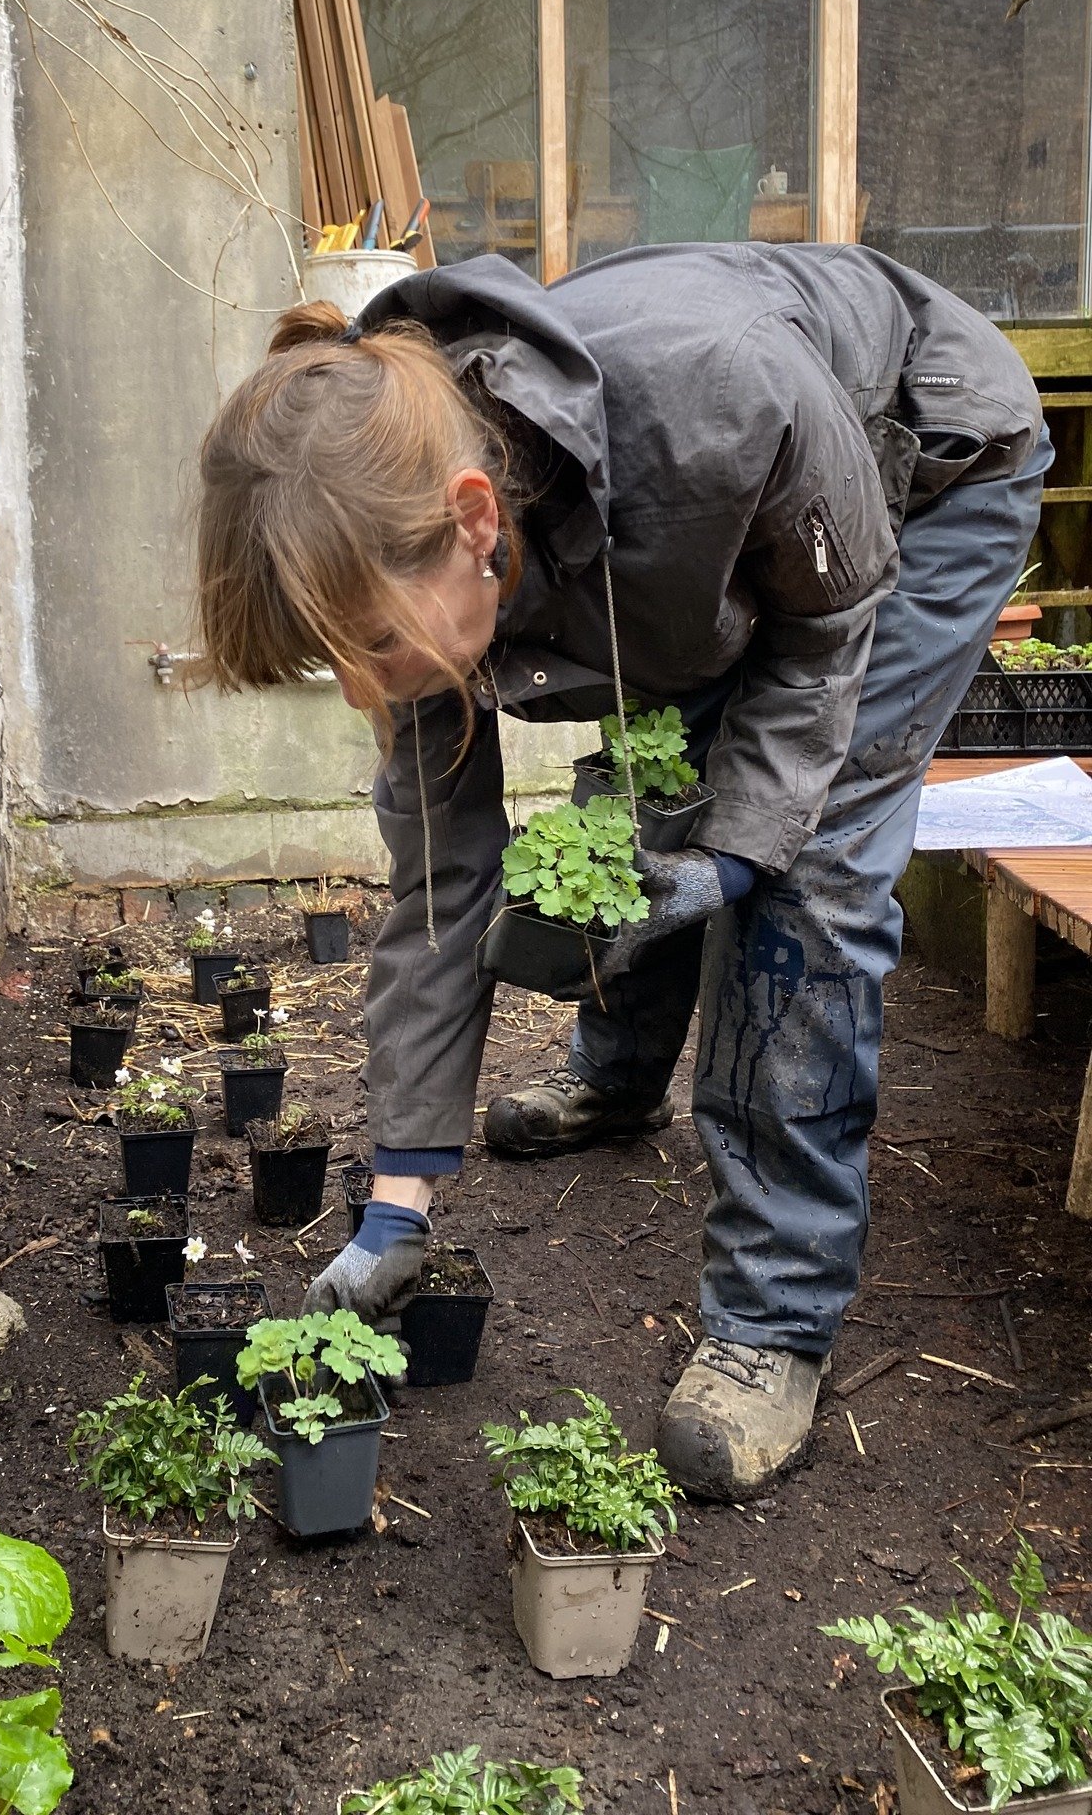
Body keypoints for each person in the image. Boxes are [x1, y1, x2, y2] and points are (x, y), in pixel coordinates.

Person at [194, 245, 1045, 1502]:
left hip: (921, 470)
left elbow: (818, 639)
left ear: (479, 519)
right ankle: (621, 1075)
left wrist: (744, 854)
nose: (367, 687)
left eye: (370, 644)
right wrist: (399, 1190)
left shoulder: (713, 405)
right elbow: (440, 889)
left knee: (805, 874)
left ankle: (773, 1320)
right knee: (659, 795)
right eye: (339, 663)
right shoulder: (420, 546)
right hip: (722, 529)